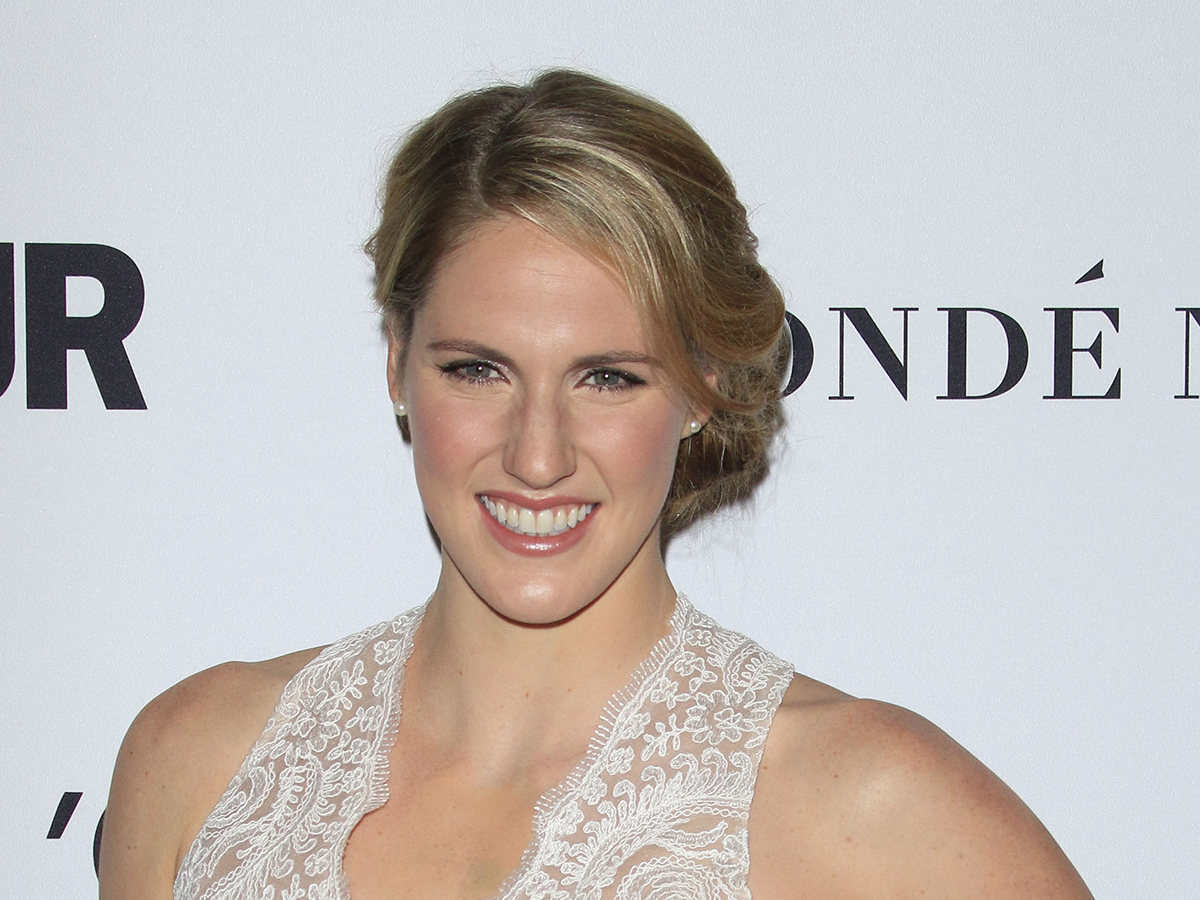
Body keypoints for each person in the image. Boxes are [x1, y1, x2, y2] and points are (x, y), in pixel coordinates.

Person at [99, 69, 1093, 900]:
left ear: (703, 384)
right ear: (397, 361)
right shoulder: (198, 760)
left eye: (608, 378)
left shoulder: (870, 806)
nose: (538, 457)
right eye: (478, 370)